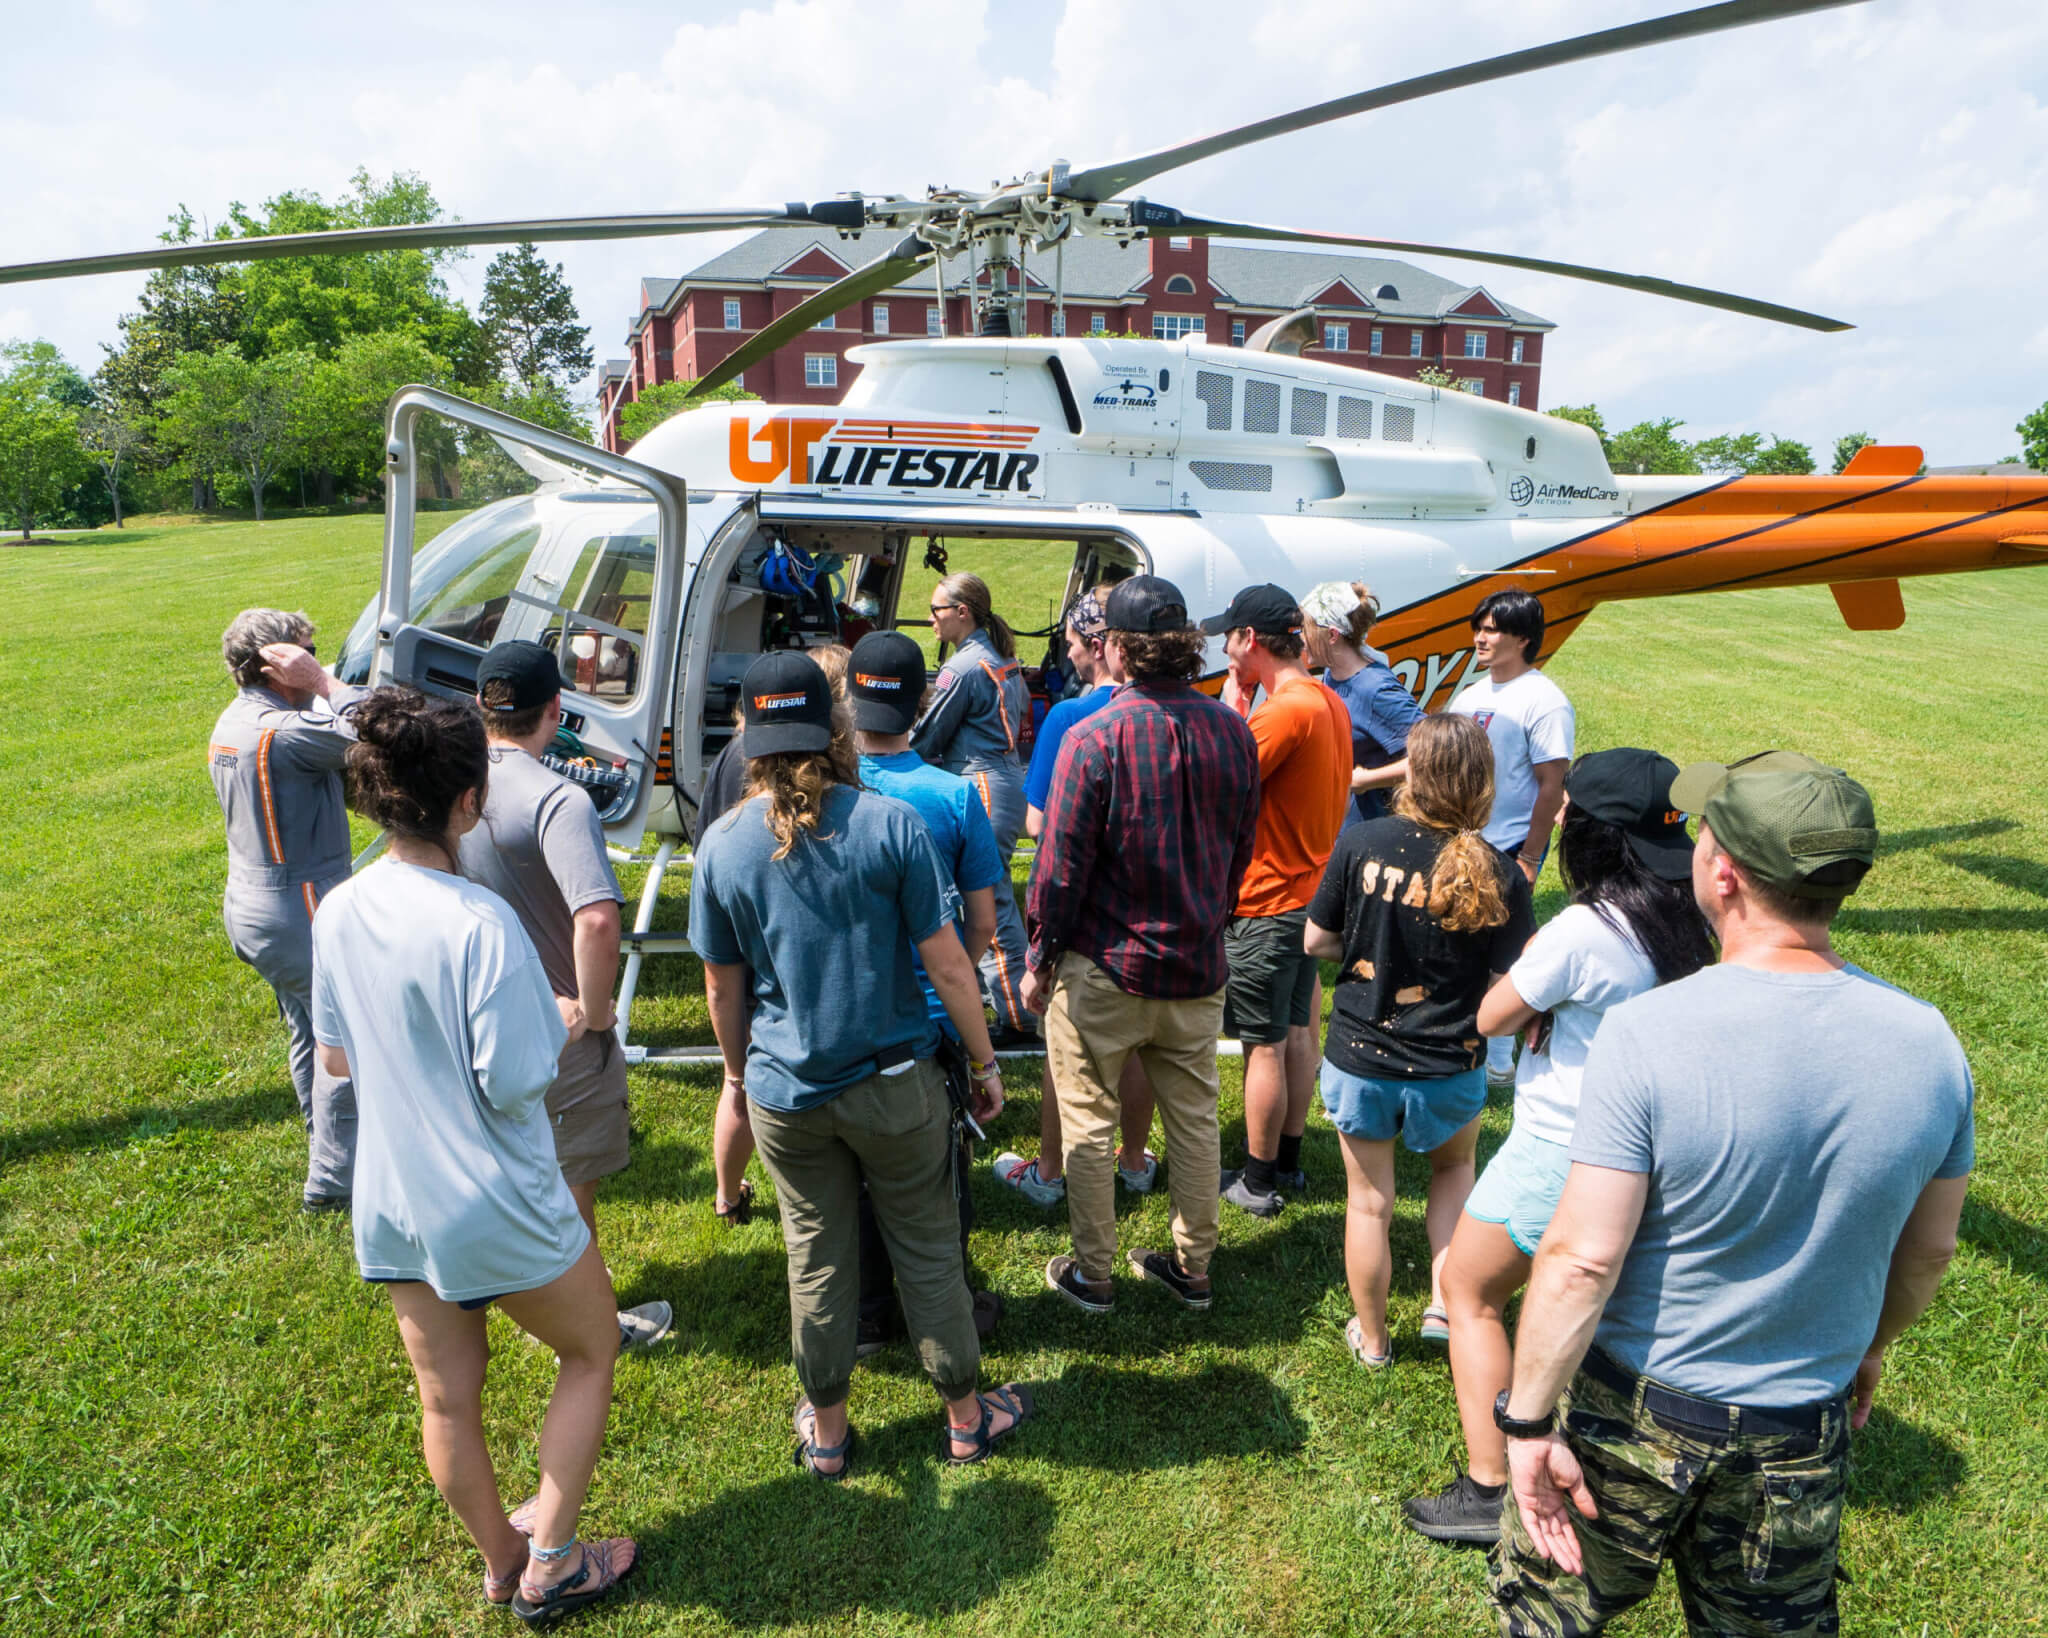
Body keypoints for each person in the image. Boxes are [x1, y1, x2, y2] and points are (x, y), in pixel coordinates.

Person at [1492, 752, 1973, 1637]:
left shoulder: (1647, 1033)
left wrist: (1523, 1424)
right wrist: (1871, 1347)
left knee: (1548, 1616)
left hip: (1636, 1413)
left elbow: (1582, 1258)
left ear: (1723, 872)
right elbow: (1930, 1250)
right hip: (1801, 1427)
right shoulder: (1931, 1045)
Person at [310, 689, 634, 1622]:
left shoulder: (339, 909)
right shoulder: (480, 922)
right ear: (468, 800)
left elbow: (335, 1055)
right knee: (593, 1346)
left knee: (446, 1402)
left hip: (395, 1199)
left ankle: (501, 1562)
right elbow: (516, 1078)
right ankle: (556, 1560)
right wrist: (569, 1014)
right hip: (497, 1196)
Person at [689, 652, 1034, 1475]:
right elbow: (953, 966)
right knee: (928, 1246)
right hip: (895, 1083)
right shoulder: (892, 825)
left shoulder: (723, 845)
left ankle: (832, 1433)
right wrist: (986, 1066)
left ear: (749, 737)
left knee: (815, 1252)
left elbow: (720, 990)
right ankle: (963, 1417)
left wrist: (739, 1076)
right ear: (836, 726)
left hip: (787, 1092)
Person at [1403, 749, 1713, 1545]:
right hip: (1652, 1154)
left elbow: (1493, 1014)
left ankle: (1488, 1483)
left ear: (1590, 836)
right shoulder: (1696, 921)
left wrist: (1541, 1002)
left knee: (1468, 1291)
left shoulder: (1585, 927)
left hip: (1557, 1152)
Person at [1022, 576, 1261, 1314]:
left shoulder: (1094, 736)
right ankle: (1193, 1268)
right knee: (1193, 1121)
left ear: (1116, 650)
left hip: (1106, 967)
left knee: (1089, 1118)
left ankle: (1094, 1275)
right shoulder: (1233, 730)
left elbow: (1057, 870)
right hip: (1194, 962)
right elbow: (1239, 851)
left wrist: (1039, 959)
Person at [456, 641, 673, 1355]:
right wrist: (598, 1011)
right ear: (557, 708)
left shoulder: (449, 786)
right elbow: (598, 918)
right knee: (570, 1187)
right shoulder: (558, 798)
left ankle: (518, 1297)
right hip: (554, 1028)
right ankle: (585, 1327)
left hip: (471, 1019)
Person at [1304, 713, 1534, 1365]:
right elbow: (1504, 980)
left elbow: (1315, 940)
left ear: (1414, 772)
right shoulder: (1500, 871)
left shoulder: (1363, 841)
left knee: (1370, 1203)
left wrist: (1373, 944)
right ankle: (1442, 1303)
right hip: (1452, 1061)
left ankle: (1373, 1341)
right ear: (1483, 783)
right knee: (1454, 1172)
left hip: (1360, 1055)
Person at [846, 630, 1006, 1348]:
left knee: (850, 1179)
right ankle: (947, 1306)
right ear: (924, 702)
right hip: (931, 1016)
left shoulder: (820, 788)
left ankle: (870, 1310)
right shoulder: (952, 797)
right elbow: (978, 923)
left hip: (841, 1007)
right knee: (940, 1178)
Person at [997, 587, 1158, 1209]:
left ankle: (1050, 1169)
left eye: (1068, 643)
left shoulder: (1069, 716)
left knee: (1066, 1050)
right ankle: (1137, 1161)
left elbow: (1038, 823)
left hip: (1082, 907)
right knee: (1140, 1043)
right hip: (1149, 904)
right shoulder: (1169, 710)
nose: (1063, 654)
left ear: (1097, 647)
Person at [1204, 584, 1352, 1220]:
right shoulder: (1325, 701)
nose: (1224, 649)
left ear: (1251, 641)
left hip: (1266, 901)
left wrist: (1232, 707)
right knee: (1294, 1030)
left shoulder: (1283, 711)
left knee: (1261, 1044)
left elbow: (1213, 790)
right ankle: (1286, 1162)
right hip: (1308, 898)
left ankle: (1257, 1180)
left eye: (1229, 637)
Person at [208, 608, 363, 1212]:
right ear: (277, 663)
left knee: (307, 1029)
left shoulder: (237, 719)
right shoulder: (289, 732)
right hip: (300, 908)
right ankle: (332, 1183)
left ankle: (322, 1139)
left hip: (250, 905)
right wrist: (327, 686)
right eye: (307, 650)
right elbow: (375, 735)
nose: (319, 658)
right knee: (344, 1044)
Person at [700, 644, 850, 1224]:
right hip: (776, 941)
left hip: (737, 927)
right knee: (741, 1077)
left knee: (735, 1078)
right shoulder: (835, 771)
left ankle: (727, 1195)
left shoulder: (734, 754)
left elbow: (711, 831)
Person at [1447, 589, 1573, 1090]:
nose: (1481, 636)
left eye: (1493, 628)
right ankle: (1465, 1037)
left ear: (1523, 638)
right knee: (1460, 948)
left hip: (1508, 848)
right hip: (1461, 842)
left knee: (1503, 955)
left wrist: (1530, 856)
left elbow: (1551, 785)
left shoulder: (1545, 701)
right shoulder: (1471, 696)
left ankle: (1499, 1060)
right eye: (1479, 626)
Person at [912, 572, 1035, 1047]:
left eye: (936, 610)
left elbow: (927, 737)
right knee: (995, 897)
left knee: (989, 904)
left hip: (980, 784)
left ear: (962, 612)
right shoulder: (1000, 657)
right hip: (1005, 779)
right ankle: (1011, 999)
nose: (930, 619)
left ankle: (1019, 1016)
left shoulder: (961, 669)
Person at [1300, 581, 1424, 826]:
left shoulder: (1376, 689)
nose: (1301, 640)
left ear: (1332, 635)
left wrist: (1367, 779)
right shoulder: (1331, 675)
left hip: (1378, 836)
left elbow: (1434, 755)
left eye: (1306, 630)